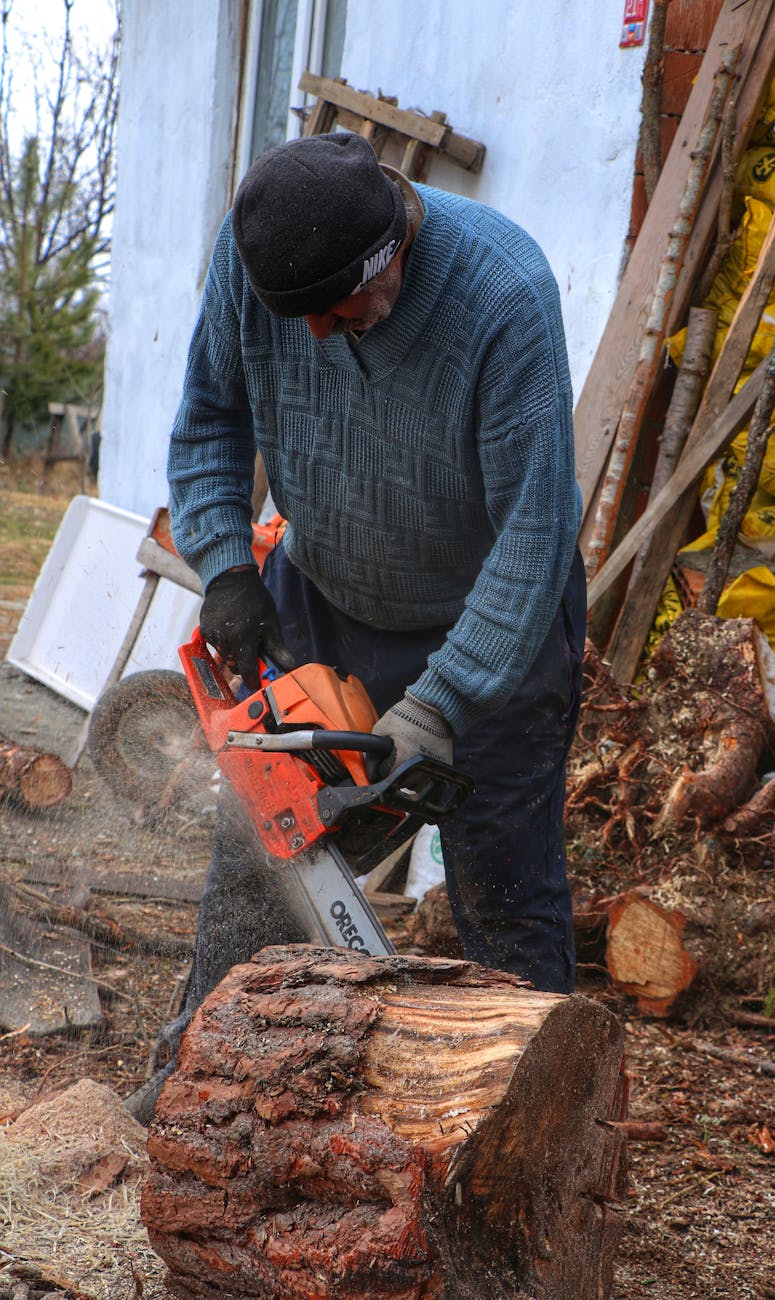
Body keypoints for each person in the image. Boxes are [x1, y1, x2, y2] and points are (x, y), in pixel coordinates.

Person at [145, 131, 584, 1113]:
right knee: (259, 863)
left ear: (387, 254)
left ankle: (536, 1130)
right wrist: (224, 564)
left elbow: (535, 530)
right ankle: (194, 1091)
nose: (309, 337)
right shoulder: (256, 262)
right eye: (290, 315)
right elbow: (212, 413)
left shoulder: (502, 294)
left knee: (504, 896)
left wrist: (445, 699)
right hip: (327, 597)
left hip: (492, 621)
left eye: (334, 312)